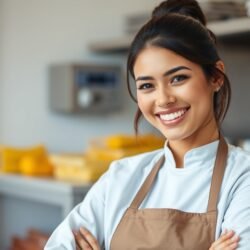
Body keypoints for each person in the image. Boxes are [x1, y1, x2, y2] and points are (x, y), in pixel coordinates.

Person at [44, 0, 250, 249]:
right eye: (147, 85)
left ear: (215, 76)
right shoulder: (121, 177)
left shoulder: (242, 178)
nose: (163, 99)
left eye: (178, 78)